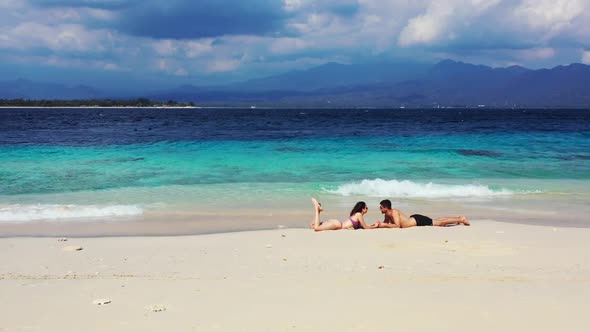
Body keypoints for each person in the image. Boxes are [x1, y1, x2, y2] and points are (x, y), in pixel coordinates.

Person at [373, 199, 470, 228]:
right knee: (436, 220)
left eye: (381, 207)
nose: (380, 209)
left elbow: (397, 226)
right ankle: (458, 217)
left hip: (417, 220)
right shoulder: (387, 215)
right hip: (414, 219)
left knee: (439, 223)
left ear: (386, 208)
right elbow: (385, 224)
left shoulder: (394, 212)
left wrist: (383, 224)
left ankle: (460, 219)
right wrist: (378, 225)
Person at [310, 198, 377, 231]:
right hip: (338, 225)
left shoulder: (356, 215)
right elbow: (365, 227)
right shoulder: (359, 214)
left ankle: (318, 210)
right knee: (316, 228)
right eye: (366, 208)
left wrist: (371, 225)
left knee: (312, 226)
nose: (367, 209)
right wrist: (375, 227)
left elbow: (362, 226)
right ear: (362, 209)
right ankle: (316, 208)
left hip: (337, 223)